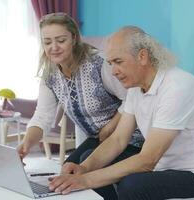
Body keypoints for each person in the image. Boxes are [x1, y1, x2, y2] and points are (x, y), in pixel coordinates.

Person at [48, 26, 194, 200]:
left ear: (142, 56)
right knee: (89, 158)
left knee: (131, 185)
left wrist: (85, 180)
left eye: (118, 62)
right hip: (163, 167)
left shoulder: (177, 86)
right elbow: (117, 140)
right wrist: (84, 168)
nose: (114, 72)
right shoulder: (136, 88)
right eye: (110, 63)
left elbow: (148, 159)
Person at [16, 13, 145, 193]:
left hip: (132, 138)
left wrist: (111, 126)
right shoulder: (49, 75)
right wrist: (26, 144)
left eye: (61, 40)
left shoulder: (100, 63)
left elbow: (132, 96)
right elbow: (43, 116)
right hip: (98, 139)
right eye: (47, 42)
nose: (54, 47)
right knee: (67, 170)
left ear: (74, 38)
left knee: (83, 167)